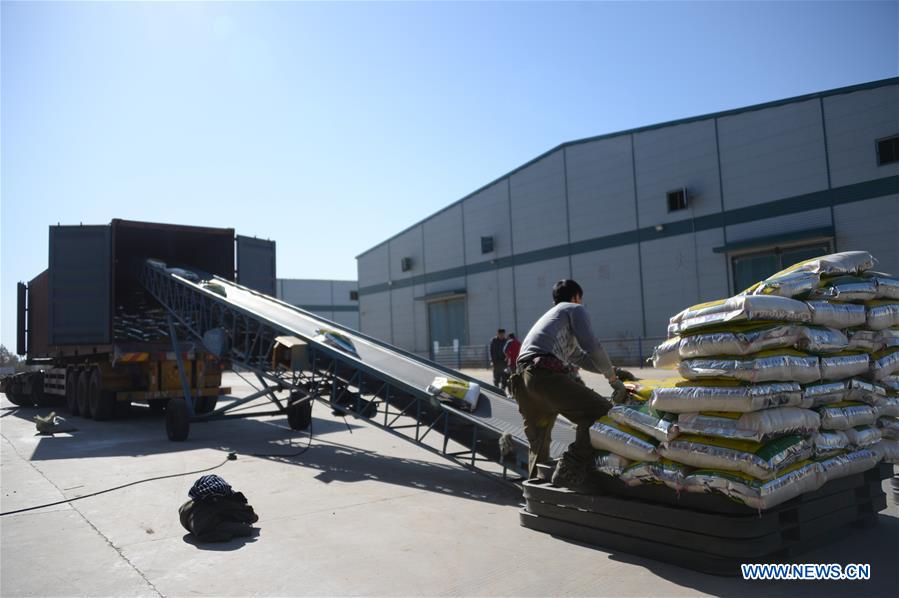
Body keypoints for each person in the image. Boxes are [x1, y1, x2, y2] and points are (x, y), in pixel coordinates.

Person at [509, 279, 629, 489]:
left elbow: (581, 358)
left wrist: (613, 370)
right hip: (544, 376)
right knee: (600, 411)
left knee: (539, 441)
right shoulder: (574, 309)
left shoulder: (553, 321)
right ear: (576, 297)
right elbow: (592, 345)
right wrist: (613, 380)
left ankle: (537, 492)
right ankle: (570, 467)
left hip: (523, 382)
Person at [179, 475, 259, 542]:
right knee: (245, 529)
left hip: (198, 525)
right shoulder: (218, 502)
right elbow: (252, 517)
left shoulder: (192, 502)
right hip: (207, 527)